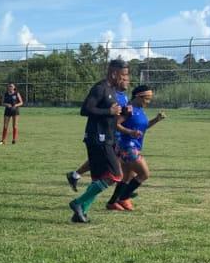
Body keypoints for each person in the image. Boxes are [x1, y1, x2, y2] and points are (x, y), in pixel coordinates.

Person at [68, 60, 128, 223]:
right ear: (114, 73)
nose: (125, 78)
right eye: (123, 75)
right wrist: (109, 110)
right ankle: (78, 203)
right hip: (98, 138)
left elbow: (111, 116)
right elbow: (85, 110)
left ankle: (80, 213)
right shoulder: (100, 88)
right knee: (115, 175)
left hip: (108, 137)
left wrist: (123, 113)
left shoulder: (112, 91)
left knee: (99, 179)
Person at [107, 85, 165, 211]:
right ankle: (123, 197)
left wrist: (156, 120)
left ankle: (112, 203)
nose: (148, 101)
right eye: (147, 98)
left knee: (126, 177)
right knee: (144, 174)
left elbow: (142, 127)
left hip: (133, 146)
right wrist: (129, 132)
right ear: (138, 96)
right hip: (128, 146)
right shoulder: (129, 109)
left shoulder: (139, 109)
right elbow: (115, 124)